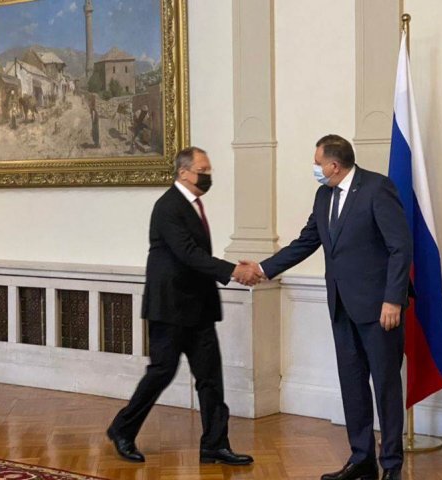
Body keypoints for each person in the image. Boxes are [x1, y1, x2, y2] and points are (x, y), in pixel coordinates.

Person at [246, 134, 411, 480]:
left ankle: (392, 467)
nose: (315, 168)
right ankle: (362, 459)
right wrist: (262, 269)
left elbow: (400, 246)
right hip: (341, 306)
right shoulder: (324, 195)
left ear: (334, 165)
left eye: (317, 163)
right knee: (352, 385)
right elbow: (307, 241)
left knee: (386, 388)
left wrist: (393, 299)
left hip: (380, 309)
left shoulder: (376, 188)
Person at [107, 147, 262, 465]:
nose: (208, 176)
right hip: (171, 308)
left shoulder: (192, 205)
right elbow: (188, 253)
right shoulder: (168, 206)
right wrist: (234, 271)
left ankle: (215, 445)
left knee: (210, 378)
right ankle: (122, 429)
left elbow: (195, 257)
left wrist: (232, 270)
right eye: (203, 171)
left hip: (198, 308)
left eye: (209, 171)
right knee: (161, 372)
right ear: (183, 172)